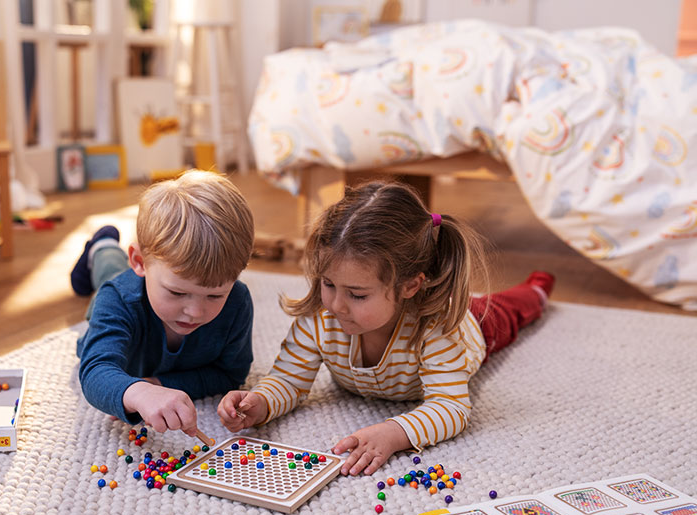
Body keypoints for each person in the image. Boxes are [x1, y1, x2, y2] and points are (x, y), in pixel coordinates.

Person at [217, 181, 554, 476]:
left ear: (410, 286)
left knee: (511, 310)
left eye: (357, 294)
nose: (336, 305)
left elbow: (451, 408)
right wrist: (260, 402)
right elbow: (288, 379)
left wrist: (394, 433)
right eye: (328, 283)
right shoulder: (320, 317)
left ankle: (537, 289)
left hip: (475, 326)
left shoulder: (438, 329)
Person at [75, 170, 256, 439]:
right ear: (139, 262)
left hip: (139, 288)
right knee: (109, 275)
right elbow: (95, 371)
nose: (195, 312)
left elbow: (230, 375)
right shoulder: (117, 300)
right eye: (176, 292)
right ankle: (101, 245)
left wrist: (158, 384)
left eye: (214, 296)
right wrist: (138, 392)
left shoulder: (237, 302)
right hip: (118, 290)